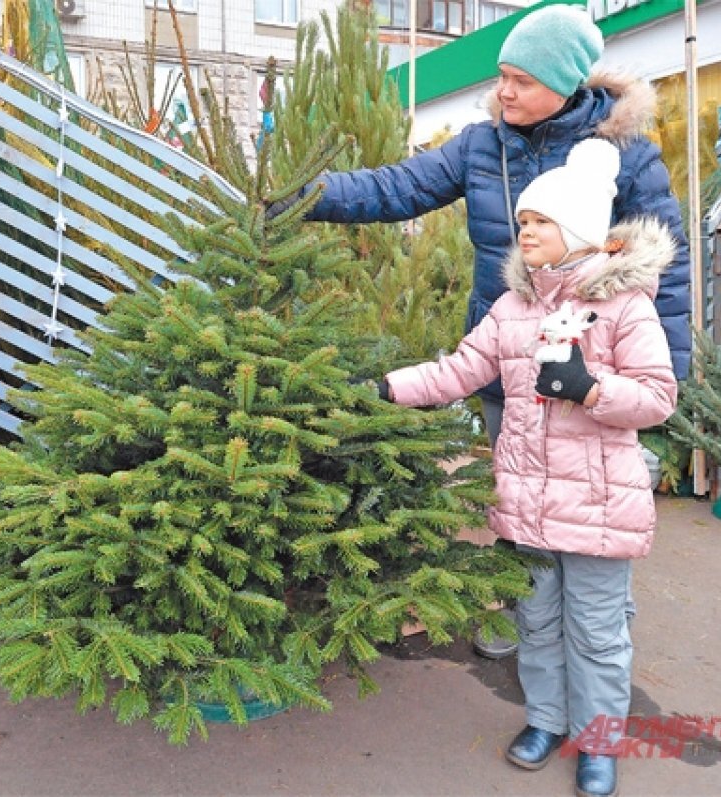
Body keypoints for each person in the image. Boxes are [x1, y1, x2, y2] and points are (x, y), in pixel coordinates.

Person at [271, 3, 690, 658]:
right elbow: (396, 187)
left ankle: (603, 634)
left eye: (519, 80)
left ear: (564, 84)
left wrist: (664, 374)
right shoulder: (480, 145)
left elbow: (669, 261)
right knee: (518, 493)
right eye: (501, 76)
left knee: (592, 505)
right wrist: (308, 194)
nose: (503, 91)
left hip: (593, 368)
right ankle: (527, 622)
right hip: (508, 355)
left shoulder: (626, 159)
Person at [376, 138, 677, 797]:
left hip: (598, 505)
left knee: (597, 632)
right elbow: (458, 370)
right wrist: (387, 388)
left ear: (573, 231)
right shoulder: (512, 311)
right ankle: (545, 719)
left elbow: (658, 397)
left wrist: (591, 389)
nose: (525, 231)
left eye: (538, 222)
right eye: (523, 222)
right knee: (536, 619)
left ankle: (597, 742)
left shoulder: (625, 306)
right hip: (528, 501)